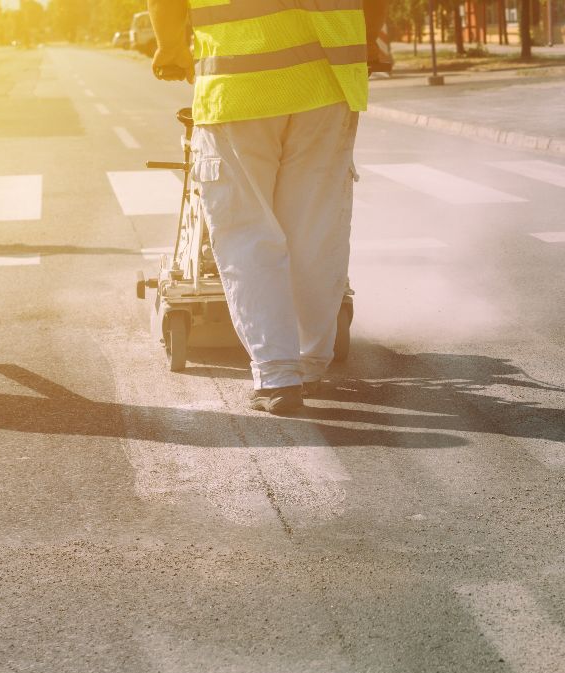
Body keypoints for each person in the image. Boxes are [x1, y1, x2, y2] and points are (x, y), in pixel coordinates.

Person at [147, 0, 388, 415]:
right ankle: (310, 362)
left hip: (237, 91)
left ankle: (278, 375)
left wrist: (170, 47)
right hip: (327, 84)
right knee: (314, 233)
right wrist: (370, 42)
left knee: (248, 234)